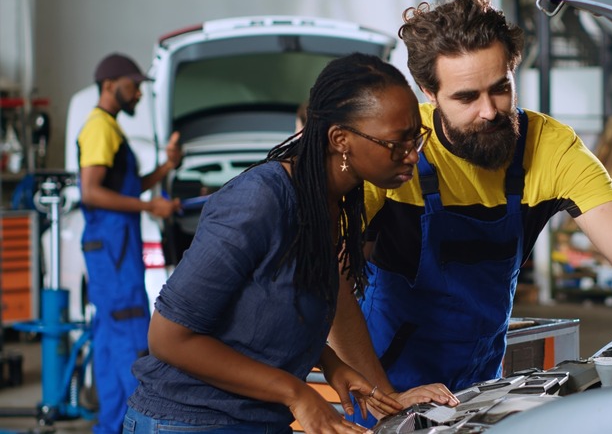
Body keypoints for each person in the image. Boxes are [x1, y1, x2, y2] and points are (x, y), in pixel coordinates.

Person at [329, 0, 612, 426]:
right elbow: (327, 275)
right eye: (467, 97)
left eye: (501, 88)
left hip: (479, 381)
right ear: (429, 93)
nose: (490, 111)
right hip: (382, 380)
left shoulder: (550, 146)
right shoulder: (393, 150)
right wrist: (385, 393)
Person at [124, 53, 457, 434]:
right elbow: (168, 338)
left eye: (416, 138)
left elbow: (271, 311)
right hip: (185, 421)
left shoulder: (331, 201)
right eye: (397, 143)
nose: (412, 155)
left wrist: (333, 365)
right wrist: (296, 392)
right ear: (340, 140)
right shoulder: (259, 200)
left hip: (256, 420)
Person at [78, 52, 182, 434]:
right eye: (133, 85)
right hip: (113, 253)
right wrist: (148, 206)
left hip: (112, 251)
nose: (138, 93)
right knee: (130, 342)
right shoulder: (100, 128)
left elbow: (123, 186)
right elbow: (91, 192)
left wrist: (165, 170)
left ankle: (110, 428)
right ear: (110, 85)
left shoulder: (109, 128)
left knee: (109, 345)